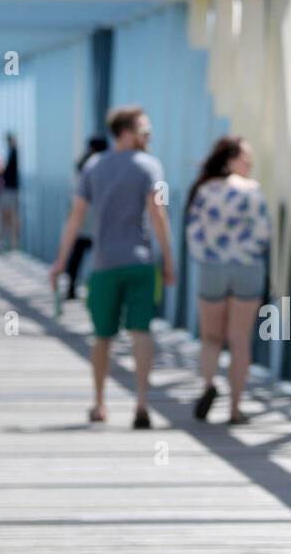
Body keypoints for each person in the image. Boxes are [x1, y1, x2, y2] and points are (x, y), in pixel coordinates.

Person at [48, 106, 174, 429]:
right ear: (127, 133)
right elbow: (158, 214)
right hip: (141, 262)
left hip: (103, 264)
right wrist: (169, 259)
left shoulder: (94, 167)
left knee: (102, 336)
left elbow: (75, 216)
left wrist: (61, 261)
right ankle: (142, 403)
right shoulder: (150, 166)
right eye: (145, 132)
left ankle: (99, 403)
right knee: (141, 331)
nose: (150, 139)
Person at [185, 136, 269, 424]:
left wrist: (210, 256)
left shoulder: (204, 190)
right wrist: (244, 253)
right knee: (239, 339)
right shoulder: (252, 190)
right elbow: (262, 234)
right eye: (245, 156)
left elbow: (193, 232)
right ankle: (235, 409)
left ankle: (208, 386)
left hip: (212, 268)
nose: (250, 162)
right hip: (246, 268)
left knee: (210, 338)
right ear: (230, 159)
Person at [62, 135, 107, 299]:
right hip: (99, 221)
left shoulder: (84, 165)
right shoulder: (107, 165)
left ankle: (71, 288)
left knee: (76, 257)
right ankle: (95, 290)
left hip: (82, 220)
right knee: (99, 259)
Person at [0, 133, 21, 252]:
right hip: (10, 188)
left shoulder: (14, 151)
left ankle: (12, 243)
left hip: (11, 189)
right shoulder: (11, 152)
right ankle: (10, 242)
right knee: (8, 215)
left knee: (11, 215)